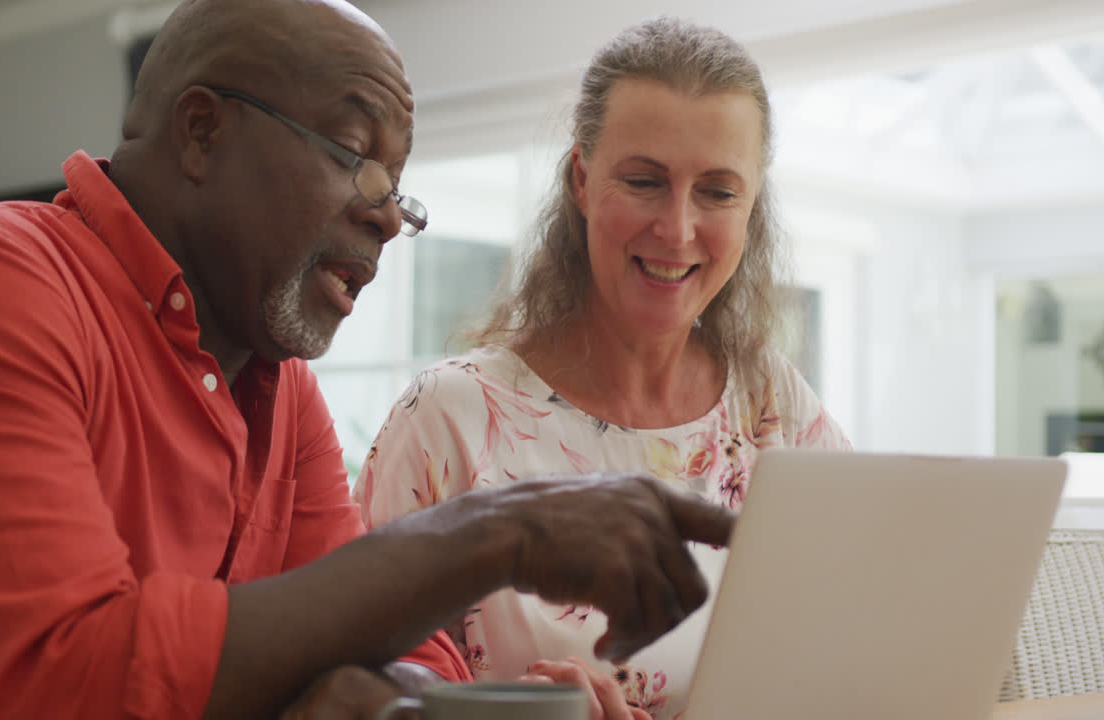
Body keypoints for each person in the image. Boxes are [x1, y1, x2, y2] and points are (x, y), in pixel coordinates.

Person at [0, 2, 737, 719]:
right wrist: (495, 533)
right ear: (203, 132)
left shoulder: (279, 389)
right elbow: (67, 683)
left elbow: (395, 642)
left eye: (397, 187)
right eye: (357, 158)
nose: (389, 217)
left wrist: (419, 698)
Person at [355, 16, 852, 719]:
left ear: (751, 207)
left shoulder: (774, 406)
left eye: (717, 191)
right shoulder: (447, 420)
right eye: (645, 181)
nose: (677, 229)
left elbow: (855, 639)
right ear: (581, 181)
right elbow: (355, 679)